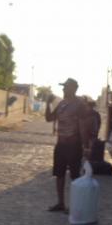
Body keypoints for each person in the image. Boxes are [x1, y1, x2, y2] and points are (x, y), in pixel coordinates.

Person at [45, 77, 90, 213]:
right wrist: (48, 103)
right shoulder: (62, 103)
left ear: (74, 88)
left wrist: (85, 146)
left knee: (75, 176)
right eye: (63, 87)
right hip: (61, 144)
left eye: (66, 87)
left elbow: (83, 127)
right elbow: (49, 118)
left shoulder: (80, 105)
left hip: (73, 145)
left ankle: (74, 205)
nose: (63, 89)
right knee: (59, 174)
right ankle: (60, 203)